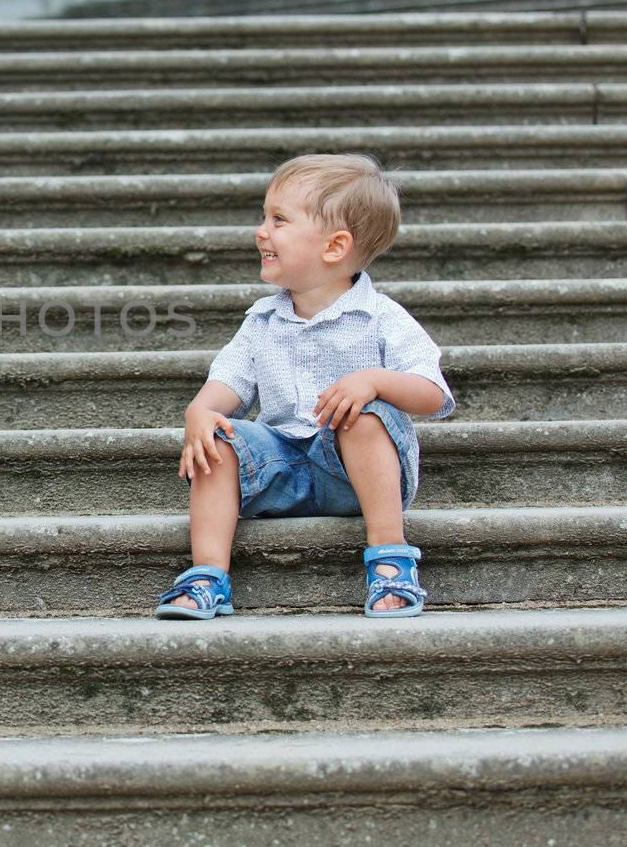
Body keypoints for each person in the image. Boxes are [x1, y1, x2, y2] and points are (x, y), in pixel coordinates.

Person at [156, 153, 454, 621]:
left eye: (279, 220)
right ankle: (207, 575)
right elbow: (229, 381)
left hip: (352, 476)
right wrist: (200, 411)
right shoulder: (261, 321)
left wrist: (374, 381)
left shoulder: (381, 317)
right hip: (278, 469)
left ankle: (391, 560)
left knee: (365, 414)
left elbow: (432, 394)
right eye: (264, 217)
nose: (261, 231)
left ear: (334, 247)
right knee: (219, 435)